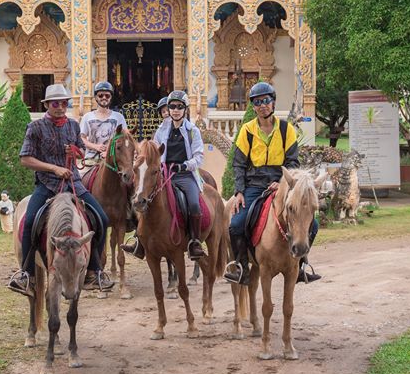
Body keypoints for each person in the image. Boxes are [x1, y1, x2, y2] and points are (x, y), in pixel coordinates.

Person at [8, 84, 114, 295]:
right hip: (48, 185)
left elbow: (81, 152)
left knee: (102, 218)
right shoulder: (35, 128)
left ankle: (94, 270)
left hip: (74, 183)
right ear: (47, 105)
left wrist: (75, 151)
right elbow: (25, 159)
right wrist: (54, 168)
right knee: (29, 222)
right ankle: (26, 274)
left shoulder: (74, 126)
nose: (60, 107)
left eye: (64, 103)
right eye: (55, 103)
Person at [225, 82, 321, 285]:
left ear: (273, 102)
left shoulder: (287, 130)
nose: (262, 105)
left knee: (314, 223)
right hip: (253, 184)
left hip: (281, 182)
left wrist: (282, 183)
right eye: (258, 102)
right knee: (236, 224)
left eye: (266, 100)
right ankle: (241, 266)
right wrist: (239, 191)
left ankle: (301, 264)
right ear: (253, 106)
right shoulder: (247, 131)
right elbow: (239, 164)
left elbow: (292, 162)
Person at [123, 90, 206, 261]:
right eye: (172, 107)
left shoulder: (193, 131)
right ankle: (140, 241)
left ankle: (195, 242)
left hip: (184, 174)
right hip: (162, 173)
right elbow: (153, 150)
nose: (175, 110)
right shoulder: (162, 129)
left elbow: (199, 157)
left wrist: (184, 165)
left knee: (193, 204)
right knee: (141, 197)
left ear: (185, 109)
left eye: (179, 107)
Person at [80, 81, 128, 164]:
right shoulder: (87, 117)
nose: (104, 97)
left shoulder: (118, 117)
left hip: (114, 159)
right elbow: (81, 138)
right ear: (96, 97)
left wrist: (109, 152)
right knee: (80, 176)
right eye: (100, 95)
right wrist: (95, 146)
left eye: (107, 95)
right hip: (91, 159)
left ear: (111, 97)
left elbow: (124, 138)